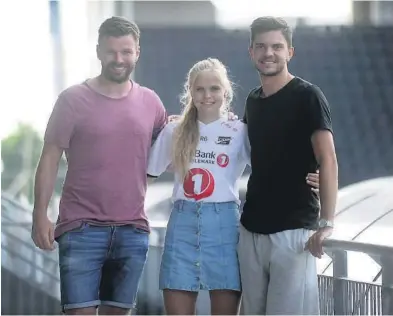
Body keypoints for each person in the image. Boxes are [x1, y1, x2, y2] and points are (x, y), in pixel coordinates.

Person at [146, 58, 321, 315]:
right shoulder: (174, 130)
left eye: (214, 88)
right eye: (200, 89)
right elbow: (146, 176)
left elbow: (272, 167)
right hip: (182, 226)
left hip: (224, 228)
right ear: (190, 92)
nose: (207, 95)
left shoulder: (239, 130)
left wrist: (312, 173)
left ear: (226, 92)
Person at [31, 17, 168, 315]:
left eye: (126, 52)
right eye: (111, 52)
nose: (118, 59)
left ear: (137, 52)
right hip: (81, 229)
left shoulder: (151, 103)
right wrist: (39, 215)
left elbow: (172, 144)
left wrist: (223, 121)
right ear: (98, 51)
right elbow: (50, 156)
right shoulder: (72, 100)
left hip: (133, 230)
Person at [238, 17, 338, 315]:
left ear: (290, 52)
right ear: (251, 52)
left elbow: (328, 158)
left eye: (277, 46)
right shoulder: (252, 101)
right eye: (261, 46)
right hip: (251, 229)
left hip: (294, 232)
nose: (269, 53)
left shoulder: (308, 96)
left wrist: (327, 223)